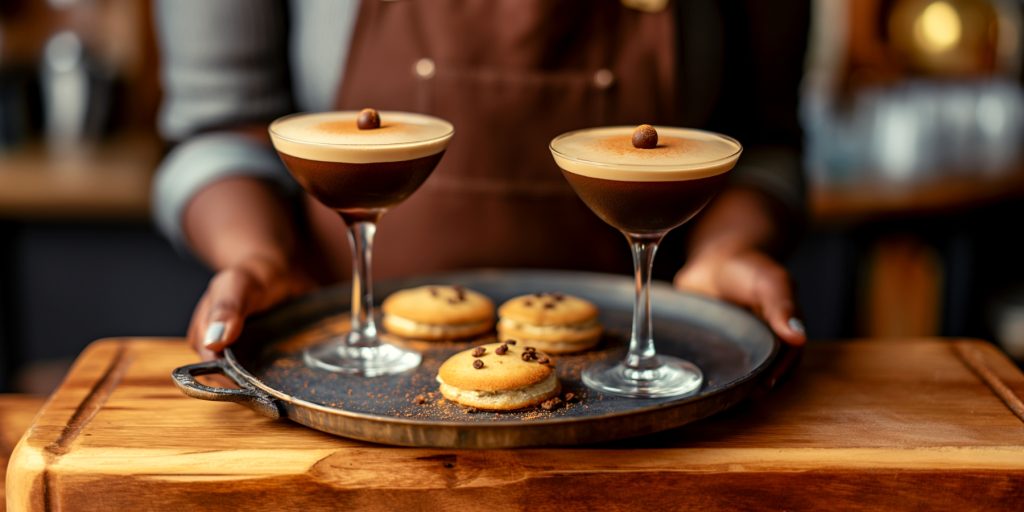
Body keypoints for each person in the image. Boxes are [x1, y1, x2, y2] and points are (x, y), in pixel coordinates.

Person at [152, 0, 810, 363]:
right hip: (338, 371)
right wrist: (257, 257)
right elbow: (221, 129)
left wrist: (729, 250)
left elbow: (765, 141)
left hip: (653, 382)